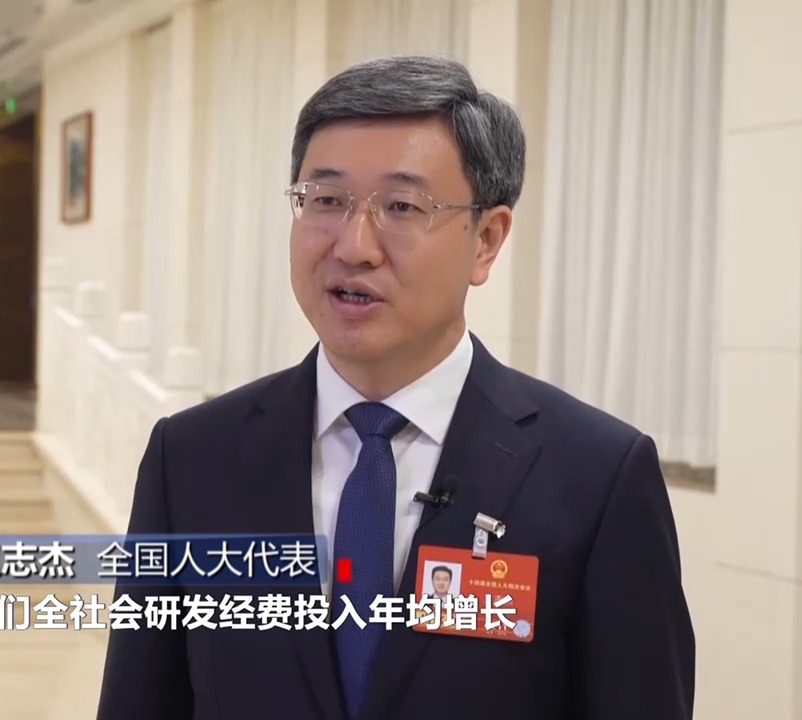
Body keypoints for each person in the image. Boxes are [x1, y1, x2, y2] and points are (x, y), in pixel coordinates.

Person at [96, 54, 694, 720]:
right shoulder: (192, 459)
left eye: (402, 207)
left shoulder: (596, 477)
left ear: (486, 240)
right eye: (326, 201)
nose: (354, 246)